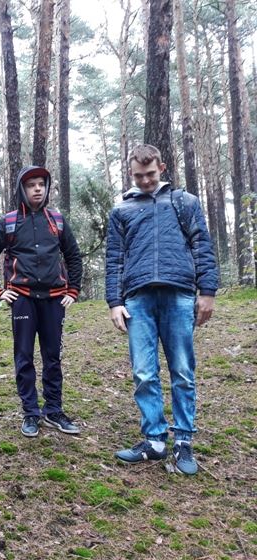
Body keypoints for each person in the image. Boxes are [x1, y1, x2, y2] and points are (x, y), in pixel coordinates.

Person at [106, 144, 218, 476]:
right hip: (137, 298)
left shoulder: (185, 202)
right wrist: (114, 302)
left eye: (150, 174)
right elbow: (114, 259)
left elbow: (202, 246)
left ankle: (183, 441)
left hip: (179, 294)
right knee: (143, 372)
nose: (145, 180)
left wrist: (207, 292)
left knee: (182, 371)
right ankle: (154, 440)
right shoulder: (121, 210)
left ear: (162, 168)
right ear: (131, 173)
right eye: (138, 176)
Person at [0, 165, 83, 438]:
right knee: (24, 356)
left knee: (52, 357)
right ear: (21, 189)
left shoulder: (57, 220)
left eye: (41, 184)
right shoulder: (9, 222)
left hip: (54, 300)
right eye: (31, 185)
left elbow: (73, 256)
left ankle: (54, 410)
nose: (37, 189)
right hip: (22, 299)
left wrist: (73, 290)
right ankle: (30, 413)